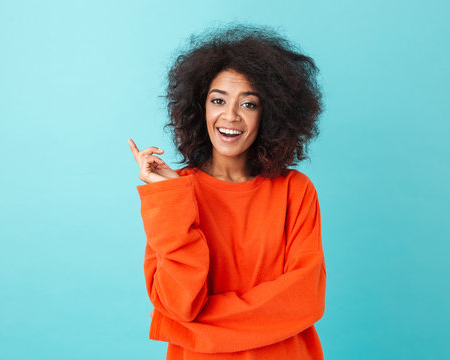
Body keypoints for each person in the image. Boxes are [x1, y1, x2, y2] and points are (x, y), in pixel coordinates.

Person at [128, 25, 326, 360]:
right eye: (218, 100)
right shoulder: (176, 193)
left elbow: (303, 299)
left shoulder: (295, 191)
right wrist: (171, 198)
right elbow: (179, 304)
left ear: (270, 113)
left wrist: (185, 326)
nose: (230, 116)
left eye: (248, 104)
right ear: (199, 107)